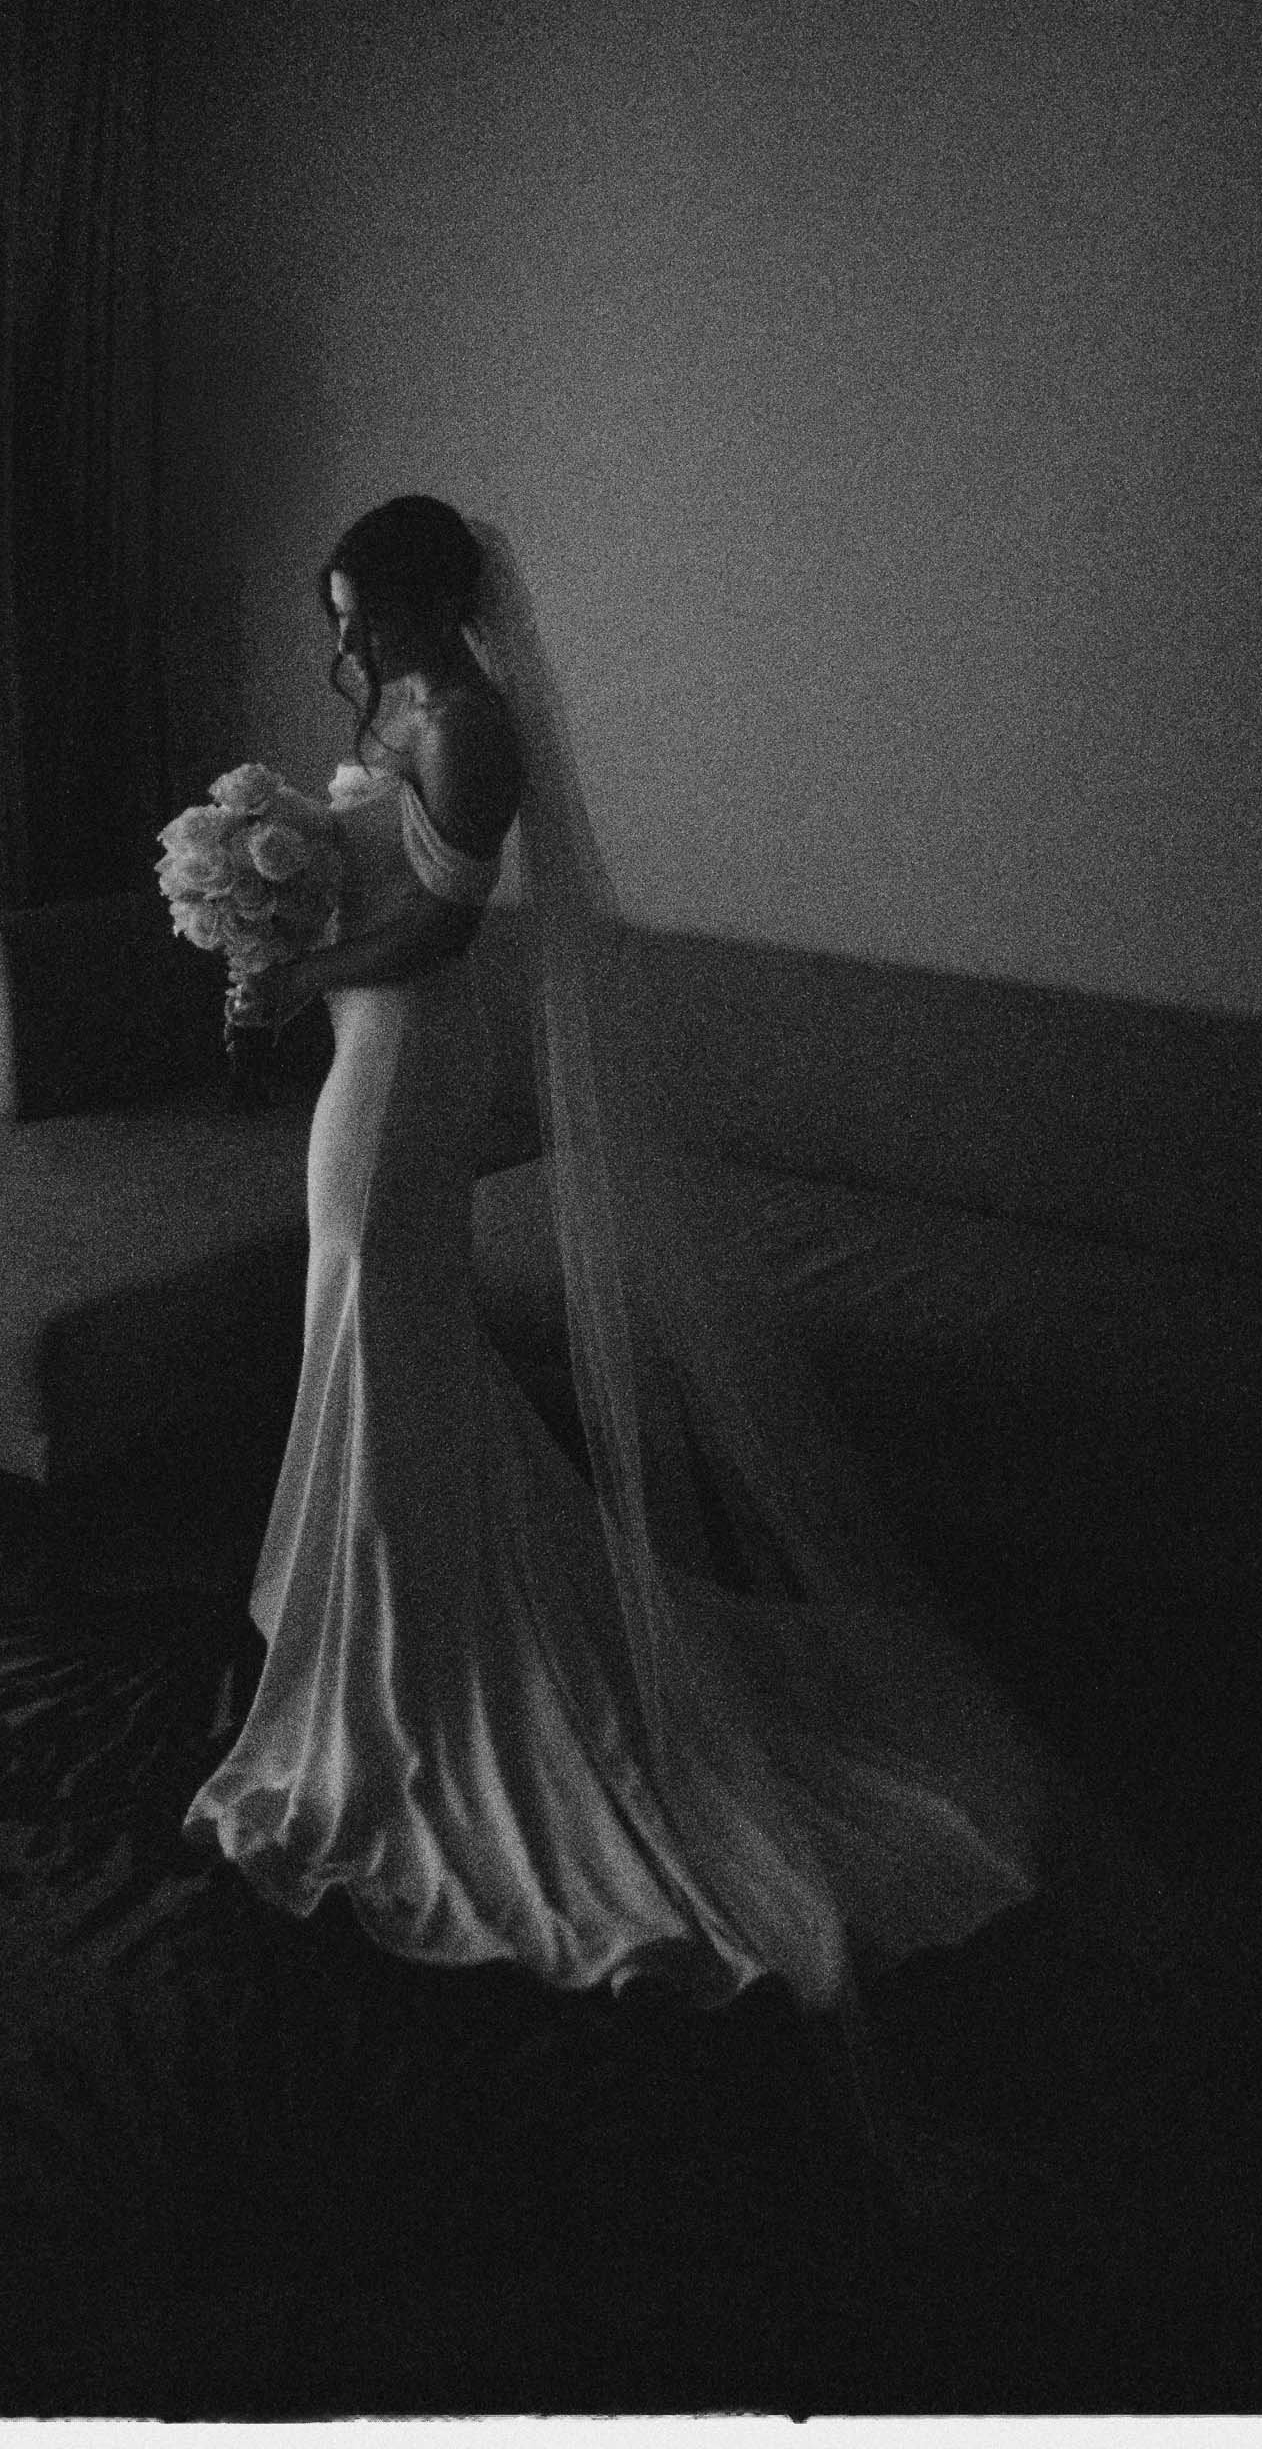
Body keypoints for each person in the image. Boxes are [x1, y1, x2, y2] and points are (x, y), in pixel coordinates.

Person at [184, 495, 1055, 2027]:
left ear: (427, 602)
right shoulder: (399, 710)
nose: (347, 645)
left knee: (380, 1315)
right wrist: (271, 910)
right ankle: (375, 1625)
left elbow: (441, 934)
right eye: (338, 621)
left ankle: (417, 1666)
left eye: (364, 616)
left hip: (407, 1064)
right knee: (370, 1326)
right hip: (358, 1052)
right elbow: (373, 878)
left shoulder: (472, 727)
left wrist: (300, 969)